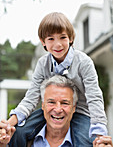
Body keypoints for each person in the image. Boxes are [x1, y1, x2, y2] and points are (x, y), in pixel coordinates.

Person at [0, 12, 107, 146]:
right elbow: (31, 98)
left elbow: (94, 97)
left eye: (62, 37)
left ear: (71, 38)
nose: (57, 44)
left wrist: (99, 131)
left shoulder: (84, 62)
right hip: (52, 109)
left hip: (81, 111)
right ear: (43, 41)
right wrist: (8, 124)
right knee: (19, 132)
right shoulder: (42, 64)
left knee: (87, 141)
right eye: (51, 39)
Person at [0, 76, 112, 147]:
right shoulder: (21, 139)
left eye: (65, 103)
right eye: (51, 102)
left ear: (74, 108)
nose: (58, 109)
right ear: (42, 105)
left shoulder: (89, 143)